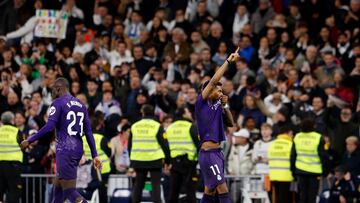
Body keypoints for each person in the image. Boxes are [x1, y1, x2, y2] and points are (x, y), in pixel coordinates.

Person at [20, 77, 102, 203]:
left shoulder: (58, 103)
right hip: (77, 148)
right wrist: (94, 154)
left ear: (59, 88)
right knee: (57, 189)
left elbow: (49, 126)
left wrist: (30, 140)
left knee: (69, 191)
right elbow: (88, 132)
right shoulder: (81, 105)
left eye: (53, 89)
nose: (52, 92)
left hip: (65, 148)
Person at [195, 48, 238, 203]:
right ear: (207, 90)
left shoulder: (218, 105)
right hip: (208, 153)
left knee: (210, 189)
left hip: (217, 153)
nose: (220, 92)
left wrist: (225, 107)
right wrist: (228, 61)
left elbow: (231, 123)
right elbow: (213, 80)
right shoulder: (202, 102)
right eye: (217, 90)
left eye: (222, 90)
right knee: (222, 187)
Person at [128, 104, 171, 203]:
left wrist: (132, 160)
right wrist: (168, 161)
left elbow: (130, 146)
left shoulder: (134, 126)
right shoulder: (157, 126)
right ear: (153, 113)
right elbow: (165, 145)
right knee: (155, 186)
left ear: (143, 113)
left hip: (138, 160)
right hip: (155, 160)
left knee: (138, 186)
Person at [166, 107, 199, 203]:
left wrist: (168, 162)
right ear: (184, 114)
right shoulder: (191, 126)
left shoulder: (170, 128)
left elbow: (166, 146)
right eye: (188, 111)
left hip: (175, 163)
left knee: (174, 191)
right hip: (189, 164)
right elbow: (199, 144)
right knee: (190, 191)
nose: (190, 113)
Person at [291, 118, 326, 203]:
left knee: (302, 196)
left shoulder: (297, 137)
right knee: (312, 196)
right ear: (313, 126)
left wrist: (293, 171)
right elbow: (323, 156)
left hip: (300, 170)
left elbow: (293, 156)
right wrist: (325, 170)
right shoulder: (318, 137)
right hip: (314, 172)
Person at [82, 111, 111, 203]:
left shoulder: (82, 138)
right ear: (98, 126)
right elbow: (109, 152)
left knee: (91, 194)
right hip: (103, 169)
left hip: (88, 170)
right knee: (102, 193)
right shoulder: (101, 138)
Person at [0, 111, 23, 203]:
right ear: (12, 120)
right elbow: (23, 146)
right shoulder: (16, 131)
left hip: (0, 165)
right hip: (13, 165)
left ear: (2, 121)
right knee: (14, 191)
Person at [268, 126, 294, 203]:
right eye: (291, 134)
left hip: (274, 175)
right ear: (287, 133)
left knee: (277, 197)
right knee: (285, 198)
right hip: (286, 175)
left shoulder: (272, 144)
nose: (292, 136)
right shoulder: (290, 144)